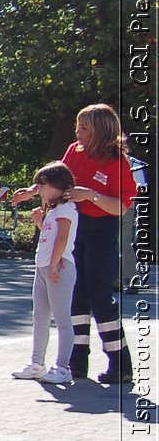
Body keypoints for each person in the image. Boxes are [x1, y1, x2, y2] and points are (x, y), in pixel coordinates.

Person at [50, 103, 138, 384]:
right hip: (77, 227)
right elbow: (59, 181)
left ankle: (120, 364)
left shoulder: (117, 162)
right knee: (76, 294)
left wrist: (92, 196)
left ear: (100, 130)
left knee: (100, 296)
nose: (78, 131)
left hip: (102, 230)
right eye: (78, 125)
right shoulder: (73, 151)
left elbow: (121, 206)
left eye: (84, 127)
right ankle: (76, 363)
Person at [10, 162, 78, 384]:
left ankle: (63, 367)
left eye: (43, 185)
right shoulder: (53, 211)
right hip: (44, 267)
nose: (39, 189)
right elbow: (50, 236)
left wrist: (54, 264)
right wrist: (40, 223)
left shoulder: (66, 210)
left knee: (61, 319)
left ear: (58, 187)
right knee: (39, 317)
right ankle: (37, 363)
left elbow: (62, 238)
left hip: (57, 267)